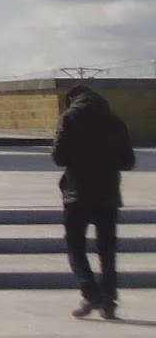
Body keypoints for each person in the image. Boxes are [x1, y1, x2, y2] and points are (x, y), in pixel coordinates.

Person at [52, 83, 136, 319]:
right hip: (108, 195)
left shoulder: (69, 119)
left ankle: (91, 293)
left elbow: (59, 157)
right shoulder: (115, 122)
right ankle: (109, 302)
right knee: (107, 251)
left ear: (72, 100)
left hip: (77, 194)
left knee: (75, 246)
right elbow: (128, 162)